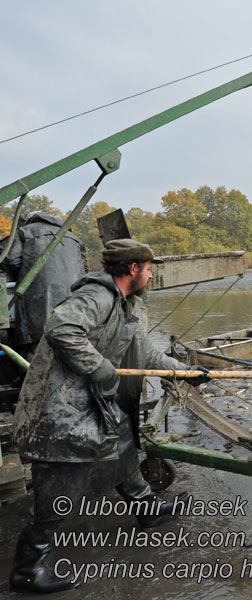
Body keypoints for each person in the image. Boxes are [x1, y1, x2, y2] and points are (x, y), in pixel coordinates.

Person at [9, 238, 211, 593]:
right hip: (59, 408)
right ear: (132, 269)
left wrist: (185, 371)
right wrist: (100, 366)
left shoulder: (127, 305)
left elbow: (146, 354)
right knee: (59, 480)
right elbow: (59, 328)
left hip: (89, 401)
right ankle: (29, 566)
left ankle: (147, 508)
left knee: (123, 441)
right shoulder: (96, 297)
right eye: (148, 269)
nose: (151, 275)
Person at [0, 211, 88, 360]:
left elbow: (10, 259)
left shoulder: (24, 232)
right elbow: (84, 270)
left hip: (36, 300)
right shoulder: (75, 238)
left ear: (30, 221)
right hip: (74, 303)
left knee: (35, 349)